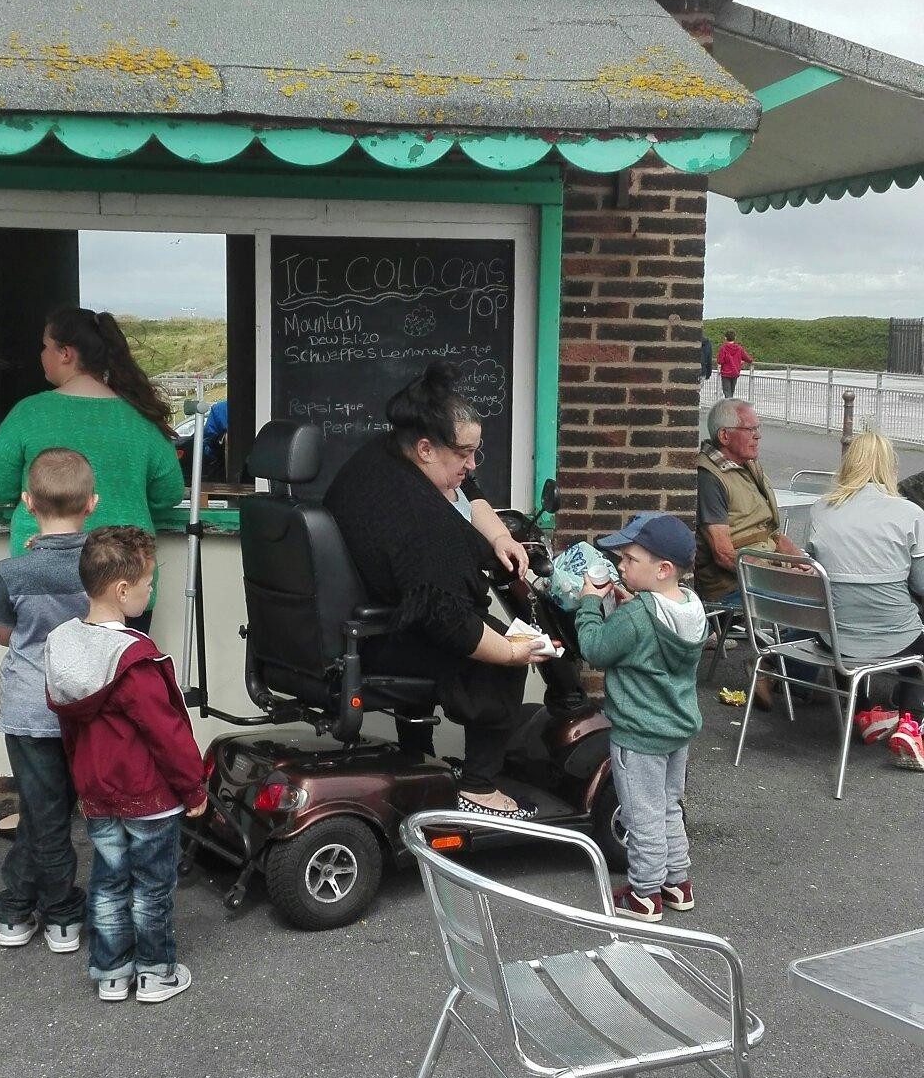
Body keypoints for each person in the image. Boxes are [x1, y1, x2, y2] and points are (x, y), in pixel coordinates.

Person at [0, 304, 184, 837]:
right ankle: (113, 803)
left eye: (46, 348)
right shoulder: (138, 418)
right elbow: (169, 495)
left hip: (41, 581)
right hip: (123, 584)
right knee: (113, 700)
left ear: (66, 354)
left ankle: (41, 811)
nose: (41, 357)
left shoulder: (29, 414)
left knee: (43, 695)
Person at [323, 364, 553, 820]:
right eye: (465, 453)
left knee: (494, 640)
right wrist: (514, 653)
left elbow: (469, 489)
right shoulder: (418, 520)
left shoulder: (388, 454)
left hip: (365, 621)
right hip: (385, 636)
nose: (471, 464)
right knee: (501, 653)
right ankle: (481, 790)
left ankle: (418, 758)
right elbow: (452, 624)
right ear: (427, 448)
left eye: (475, 452)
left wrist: (500, 538)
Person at [44, 526, 208, 1004]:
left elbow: (69, 728)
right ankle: (156, 971)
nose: (150, 591)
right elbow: (167, 733)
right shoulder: (133, 660)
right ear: (122, 590)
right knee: (152, 886)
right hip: (148, 797)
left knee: (108, 880)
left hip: (98, 793)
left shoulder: (65, 647)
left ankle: (112, 972)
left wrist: (82, 779)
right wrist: (194, 788)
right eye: (148, 583)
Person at [0, 447, 96, 950]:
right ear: (91, 503)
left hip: (30, 709)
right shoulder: (101, 566)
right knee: (50, 809)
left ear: (28, 501)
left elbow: (2, 634)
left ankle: (41, 912)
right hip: (87, 704)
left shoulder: (12, 572)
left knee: (43, 810)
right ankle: (51, 910)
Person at [575, 514, 708, 922]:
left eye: (631, 559)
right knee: (669, 806)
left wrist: (588, 604)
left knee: (640, 814)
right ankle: (677, 882)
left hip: (639, 734)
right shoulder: (690, 605)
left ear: (663, 568)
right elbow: (654, 632)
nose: (621, 566)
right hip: (676, 727)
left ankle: (645, 894)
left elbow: (595, 649)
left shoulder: (636, 616)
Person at [805, 430, 924, 770]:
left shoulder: (821, 510)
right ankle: (911, 722)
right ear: (890, 466)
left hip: (836, 640)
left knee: (844, 614)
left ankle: (865, 711)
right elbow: (921, 584)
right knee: (916, 636)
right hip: (896, 639)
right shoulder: (909, 513)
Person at [695, 400, 803, 605]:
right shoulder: (710, 478)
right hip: (733, 588)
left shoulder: (746, 466)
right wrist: (775, 574)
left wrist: (804, 564)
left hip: (762, 574)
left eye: (757, 428)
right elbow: (724, 555)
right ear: (724, 435)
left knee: (828, 588)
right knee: (813, 604)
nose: (758, 435)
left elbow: (772, 533)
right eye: (750, 429)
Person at [716, 329, 753, 399]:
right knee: (731, 392)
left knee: (727, 392)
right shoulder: (739, 348)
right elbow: (747, 358)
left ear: (725, 338)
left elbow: (720, 361)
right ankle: (731, 406)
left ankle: (729, 408)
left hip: (726, 373)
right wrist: (750, 361)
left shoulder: (723, 348)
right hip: (735, 372)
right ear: (735, 337)